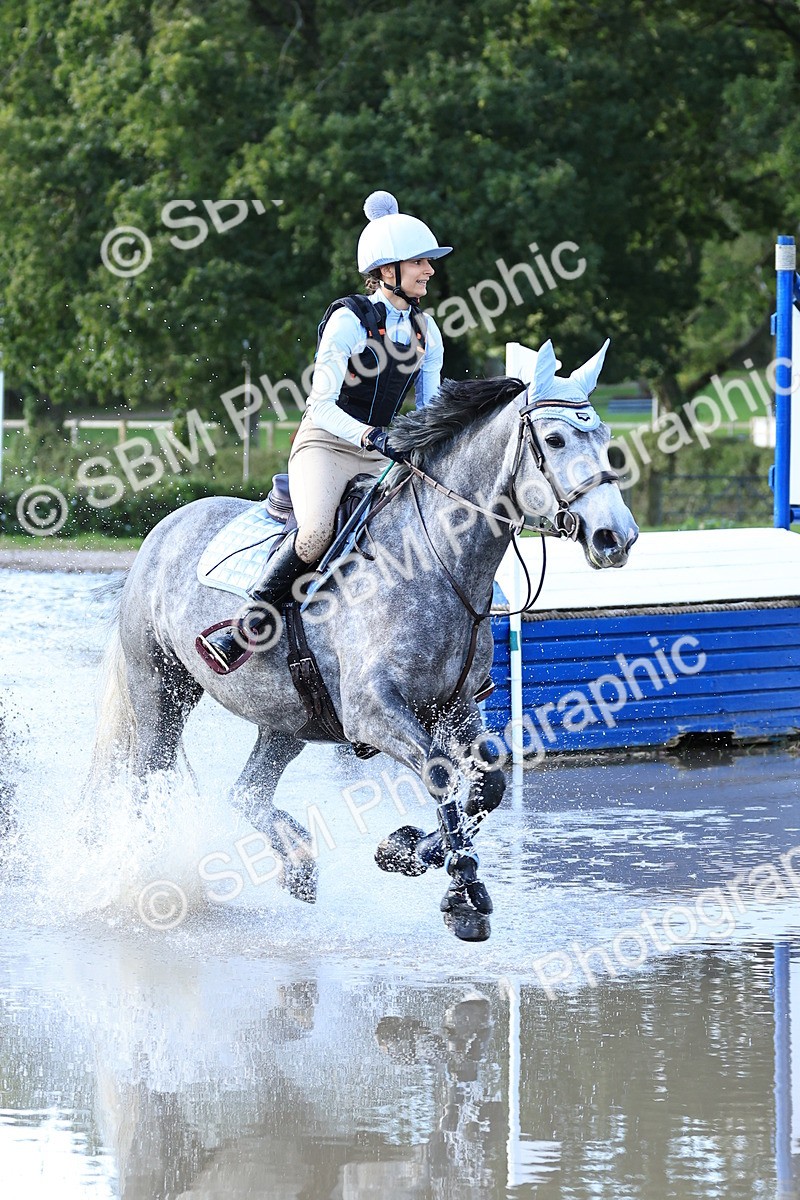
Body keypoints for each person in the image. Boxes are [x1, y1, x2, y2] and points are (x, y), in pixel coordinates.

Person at [197, 190, 451, 673]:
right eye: (421, 262)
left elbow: (430, 407)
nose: (430, 271)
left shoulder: (426, 330)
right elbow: (320, 404)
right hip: (326, 443)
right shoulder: (348, 321)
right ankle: (248, 625)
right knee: (315, 534)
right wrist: (369, 437)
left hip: (381, 451)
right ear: (388, 268)